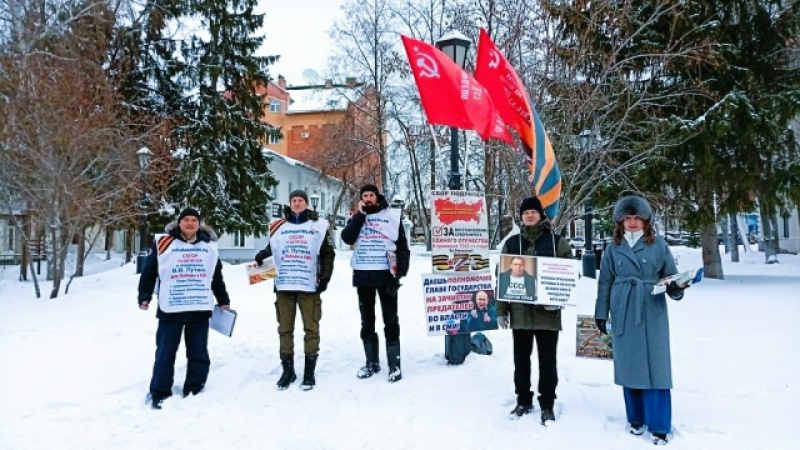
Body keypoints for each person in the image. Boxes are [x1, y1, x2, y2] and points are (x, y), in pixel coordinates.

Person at [594, 196, 688, 446]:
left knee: (657, 367)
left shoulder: (658, 245)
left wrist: (677, 287)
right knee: (630, 365)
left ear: (647, 221)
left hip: (652, 308)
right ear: (620, 221)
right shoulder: (613, 248)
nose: (633, 222)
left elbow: (671, 276)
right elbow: (605, 281)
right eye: (628, 217)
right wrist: (601, 313)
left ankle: (659, 425)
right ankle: (636, 419)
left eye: (637, 217)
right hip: (623, 308)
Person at [138, 207, 231, 410]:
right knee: (165, 353)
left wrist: (223, 299)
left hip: (198, 308)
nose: (190, 223)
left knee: (198, 352)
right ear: (179, 223)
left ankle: (194, 388)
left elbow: (216, 276)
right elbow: (149, 271)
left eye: (194, 220)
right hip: (171, 308)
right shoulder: (164, 243)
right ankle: (160, 392)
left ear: (199, 224)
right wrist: (144, 296)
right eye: (186, 220)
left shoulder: (210, 246)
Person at [496, 196, 572, 423]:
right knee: (521, 360)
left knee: (548, 361)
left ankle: (547, 402)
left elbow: (570, 275)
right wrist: (501, 310)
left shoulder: (557, 243)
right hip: (520, 313)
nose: (529, 215)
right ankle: (523, 400)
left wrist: (557, 298)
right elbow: (501, 280)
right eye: (525, 212)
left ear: (541, 215)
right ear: (521, 217)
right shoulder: (511, 244)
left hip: (547, 314)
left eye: (533, 212)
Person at [254, 189, 335, 391]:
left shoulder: (317, 226)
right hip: (284, 286)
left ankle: (309, 372)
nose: (297, 203)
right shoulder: (278, 227)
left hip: (308, 286)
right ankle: (287, 371)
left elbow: (327, 254)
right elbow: (272, 248)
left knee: (311, 328)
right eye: (293, 200)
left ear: (306, 204)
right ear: (289, 204)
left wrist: (324, 278)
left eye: (300, 200)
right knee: (285, 329)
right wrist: (262, 255)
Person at [341, 184, 410, 382]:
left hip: (386, 275)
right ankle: (372, 362)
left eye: (371, 195)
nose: (368, 198)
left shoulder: (391, 216)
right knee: (367, 321)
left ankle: (394, 364)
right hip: (364, 277)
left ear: (377, 197)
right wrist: (360, 216)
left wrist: (401, 271)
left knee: (390, 320)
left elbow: (402, 247)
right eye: (365, 196)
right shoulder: (358, 217)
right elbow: (347, 238)